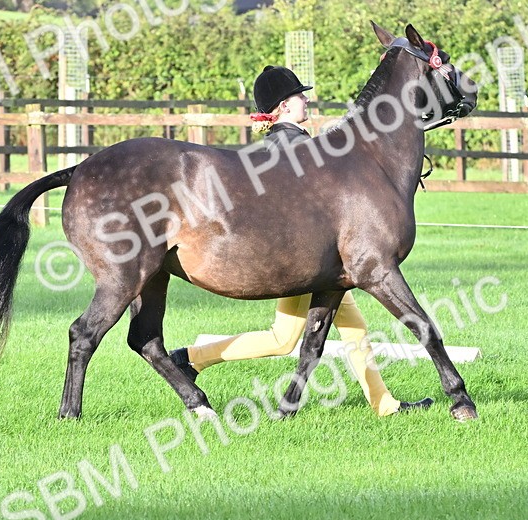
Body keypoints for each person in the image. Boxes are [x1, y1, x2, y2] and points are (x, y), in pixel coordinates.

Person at [170, 65, 415, 417]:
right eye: (300, 96)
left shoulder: (287, 141)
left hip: (322, 259)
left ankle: (384, 404)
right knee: (283, 339)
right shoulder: (293, 145)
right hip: (306, 259)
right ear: (284, 106)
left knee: (351, 327)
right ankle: (192, 358)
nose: (306, 100)